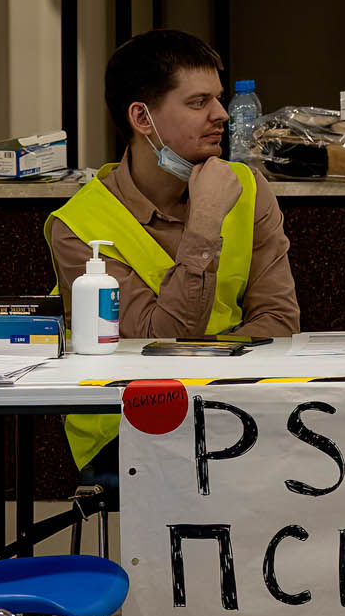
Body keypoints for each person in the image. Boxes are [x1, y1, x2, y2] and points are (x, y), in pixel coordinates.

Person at [46, 29, 300, 467]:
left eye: (218, 99)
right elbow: (153, 350)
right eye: (199, 102)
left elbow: (279, 321)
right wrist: (203, 224)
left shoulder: (248, 188)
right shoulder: (79, 226)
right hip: (129, 429)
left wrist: (204, 368)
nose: (222, 115)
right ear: (142, 119)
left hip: (237, 414)